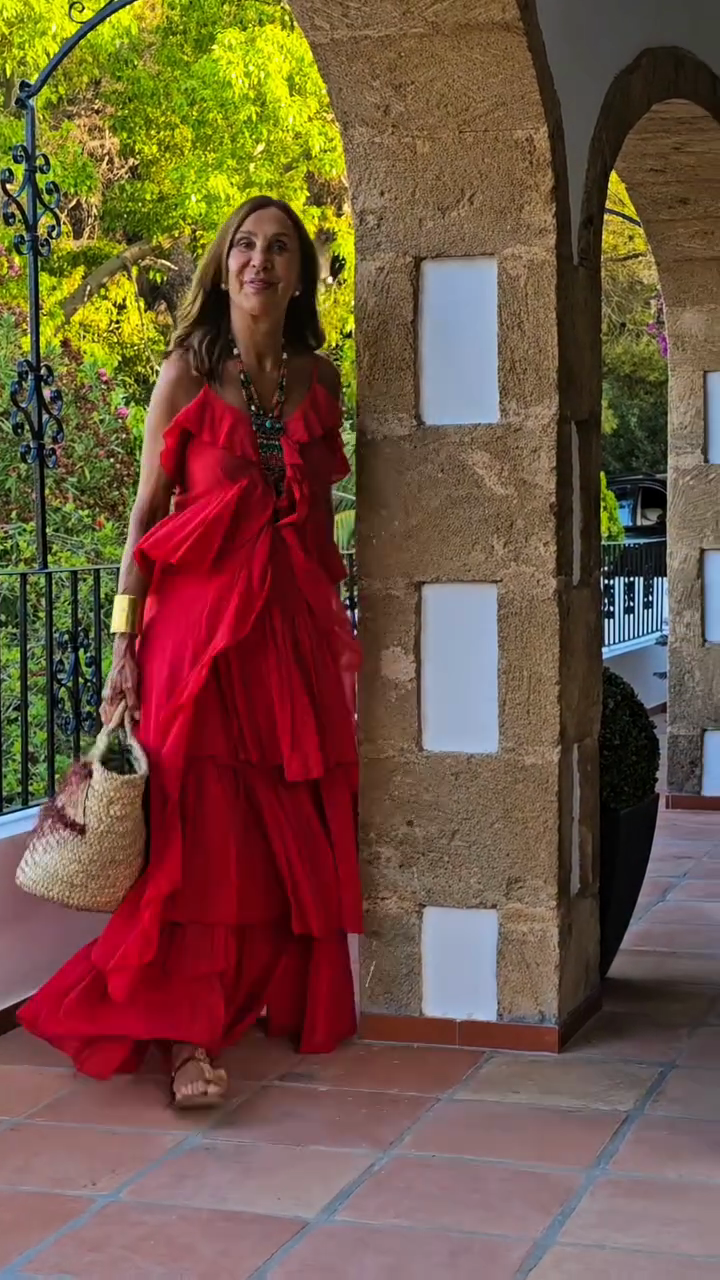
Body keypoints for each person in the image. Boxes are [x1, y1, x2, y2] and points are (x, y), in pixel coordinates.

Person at [19, 196, 362, 1108]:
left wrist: (331, 648)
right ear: (221, 268)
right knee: (192, 837)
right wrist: (122, 649)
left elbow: (323, 538)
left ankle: (245, 1002)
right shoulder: (184, 372)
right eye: (244, 246)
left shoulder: (318, 383)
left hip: (279, 642)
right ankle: (183, 1041)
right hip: (190, 643)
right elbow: (142, 521)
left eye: (280, 247)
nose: (260, 261)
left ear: (301, 273)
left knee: (267, 830)